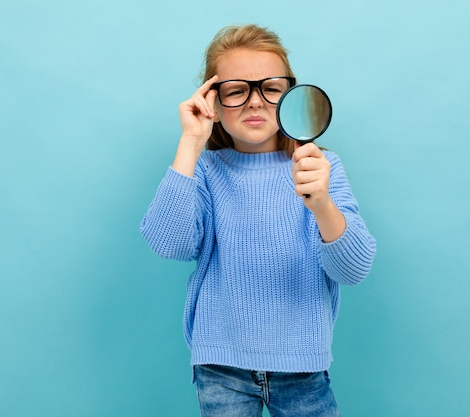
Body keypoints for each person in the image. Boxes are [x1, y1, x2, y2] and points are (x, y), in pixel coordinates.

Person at [140, 24, 376, 417]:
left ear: (293, 96)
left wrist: (320, 203)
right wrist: (190, 143)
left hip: (303, 365)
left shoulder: (322, 168)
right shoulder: (207, 171)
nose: (254, 102)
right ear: (211, 102)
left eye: (271, 88)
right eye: (236, 90)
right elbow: (169, 243)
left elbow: (354, 269)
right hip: (221, 366)